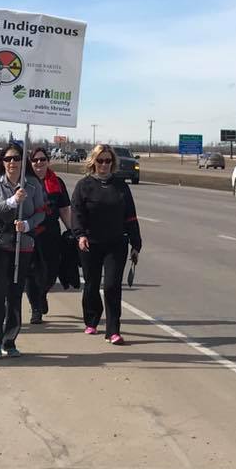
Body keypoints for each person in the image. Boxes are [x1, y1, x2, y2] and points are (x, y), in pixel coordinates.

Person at [70, 143, 143, 345]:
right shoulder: (84, 185)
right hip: (90, 243)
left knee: (112, 286)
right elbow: (76, 214)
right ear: (93, 162)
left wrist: (136, 244)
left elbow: (130, 217)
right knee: (92, 285)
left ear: (113, 163)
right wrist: (80, 235)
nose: (104, 164)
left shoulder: (121, 186)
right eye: (100, 160)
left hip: (116, 243)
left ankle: (113, 330)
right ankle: (92, 319)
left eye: (108, 161)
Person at [0, 144, 45, 359]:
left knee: (15, 294)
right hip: (1, 244)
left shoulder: (33, 184)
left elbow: (40, 213)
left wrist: (28, 225)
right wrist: (11, 201)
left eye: (16, 158)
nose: (12, 163)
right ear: (3, 161)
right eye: (8, 159)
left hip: (23, 245)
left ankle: (9, 340)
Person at [25, 147, 72, 324]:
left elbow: (64, 209)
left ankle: (42, 292)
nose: (39, 163)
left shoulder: (57, 182)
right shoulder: (25, 182)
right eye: (35, 160)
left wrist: (72, 230)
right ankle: (35, 308)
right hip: (30, 232)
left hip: (51, 233)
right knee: (31, 272)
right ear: (30, 162)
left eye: (42, 159)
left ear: (48, 161)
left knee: (51, 271)